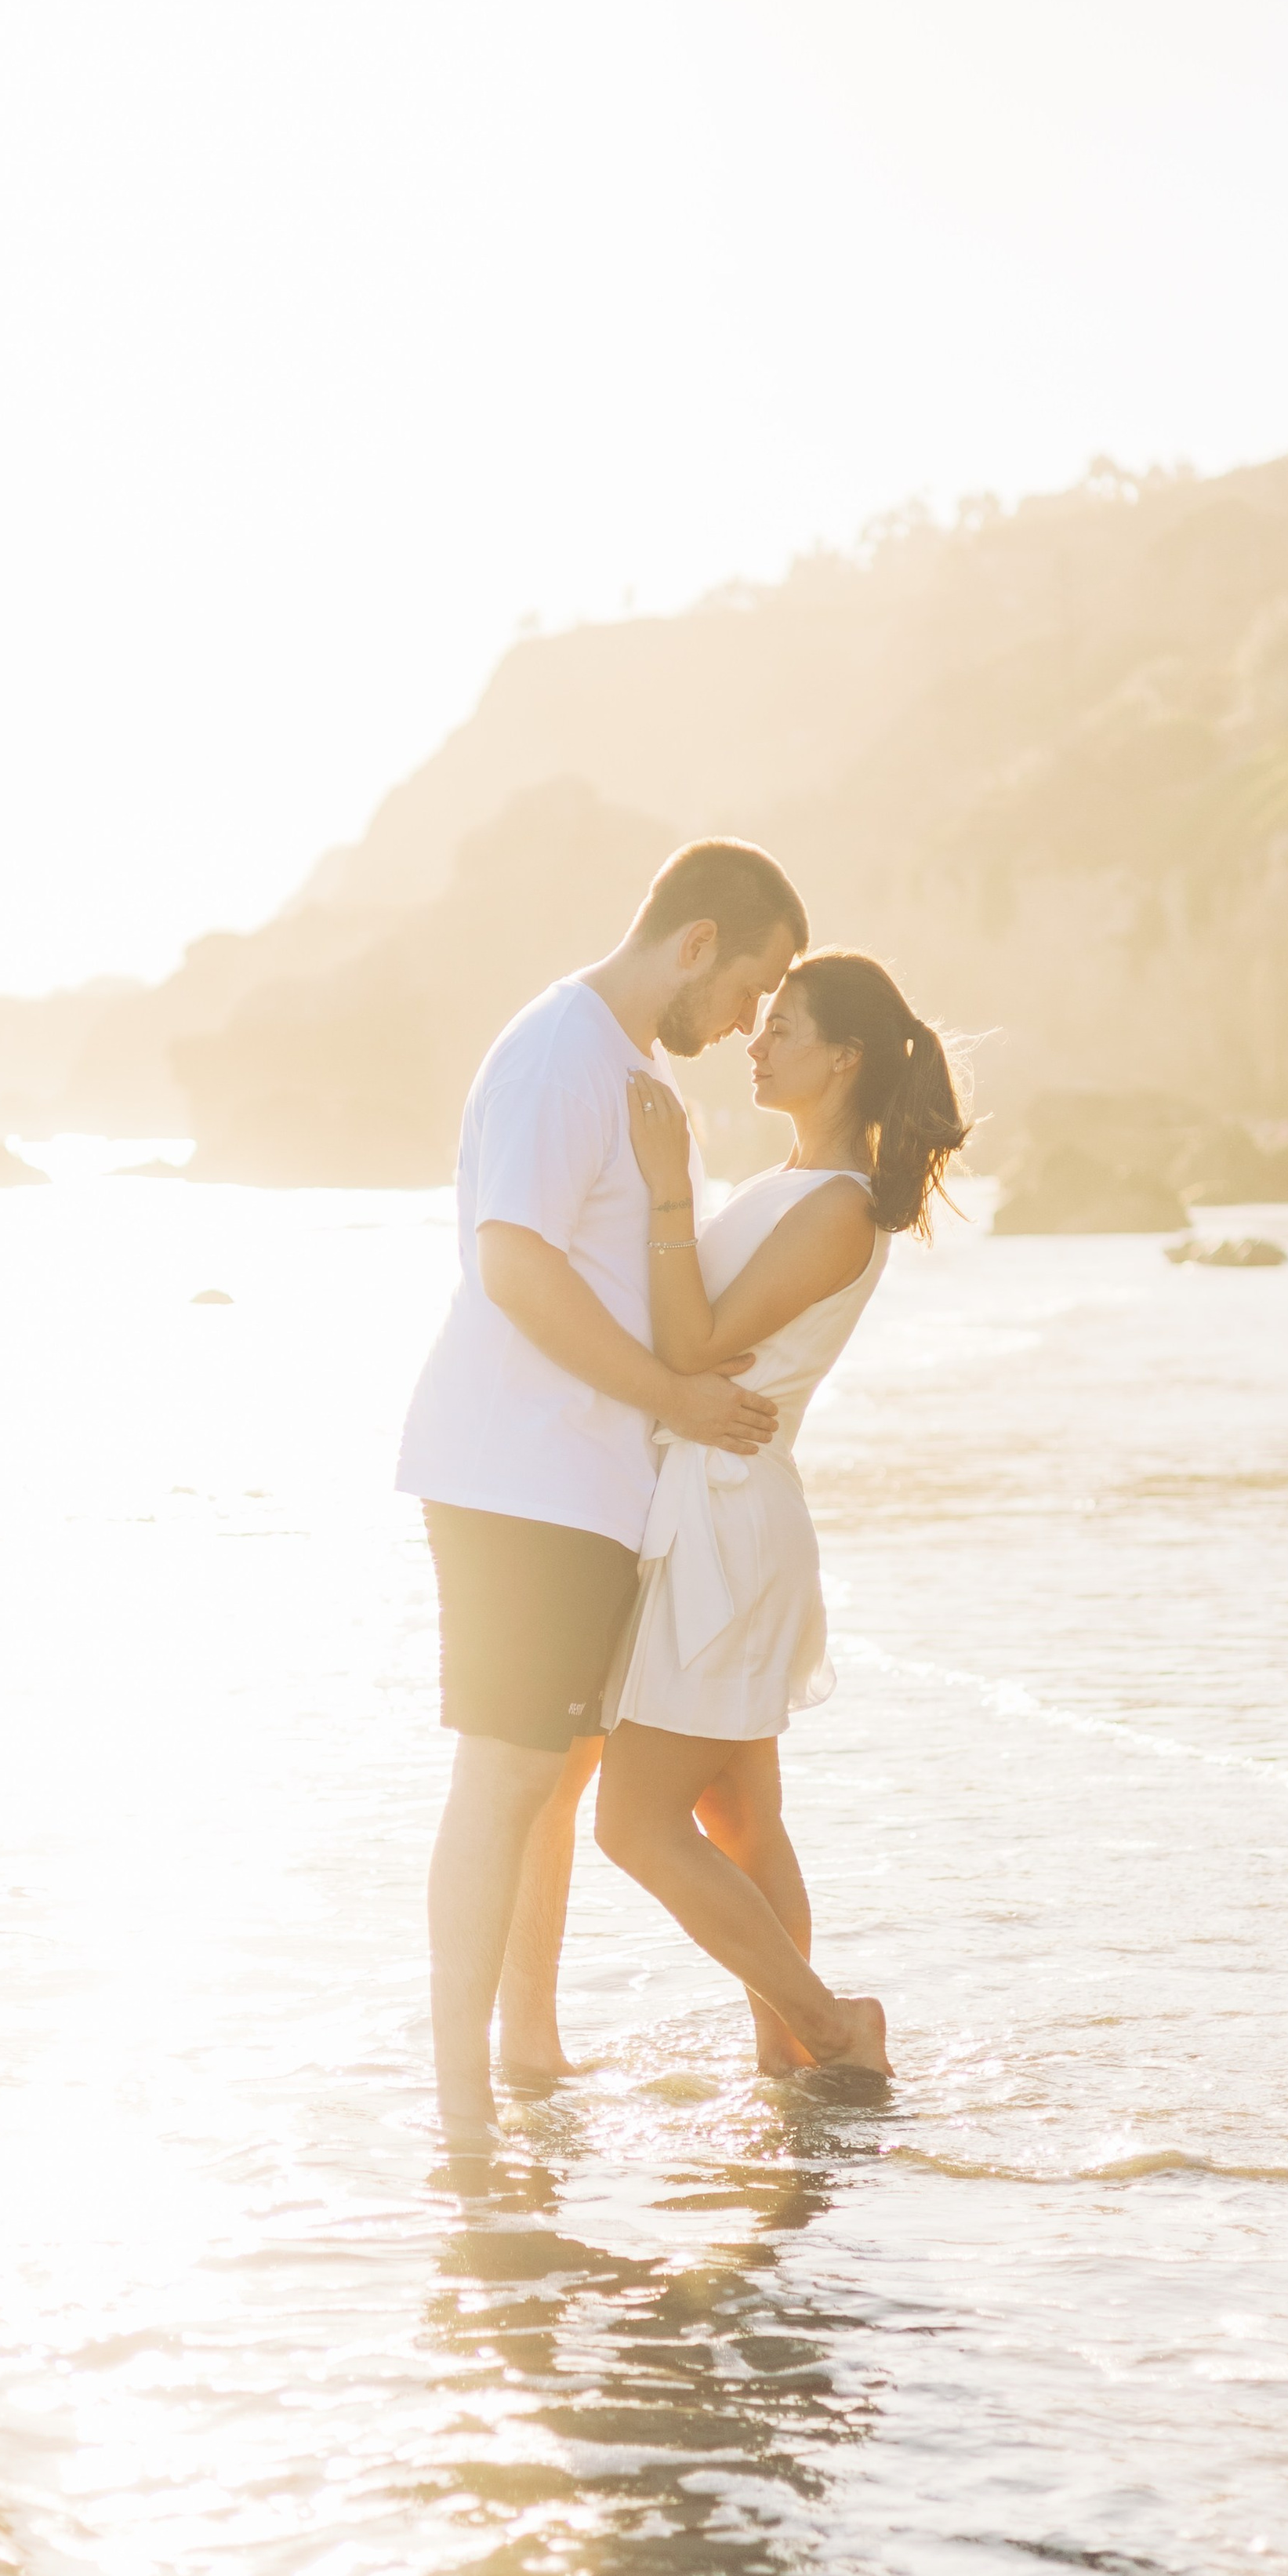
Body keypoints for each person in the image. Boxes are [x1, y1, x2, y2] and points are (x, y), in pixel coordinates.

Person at [398, 839, 809, 2148]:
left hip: (575, 1483)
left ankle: (526, 2052)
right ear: (696, 944)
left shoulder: (619, 1070)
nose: (750, 1018)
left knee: (544, 1780)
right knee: (506, 1776)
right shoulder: (562, 1055)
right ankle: (460, 2095)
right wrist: (671, 1397)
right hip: (519, 1473)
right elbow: (512, 1266)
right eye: (754, 984)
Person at [593, 950, 970, 2079]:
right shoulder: (789, 1190)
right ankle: (789, 2065)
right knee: (742, 1823)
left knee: (632, 1827)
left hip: (727, 1525)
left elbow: (695, 1346)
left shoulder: (843, 1211)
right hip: (714, 1508)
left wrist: (667, 1186)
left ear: (845, 1059)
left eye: (786, 1029)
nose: (756, 1041)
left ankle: (829, 2023)